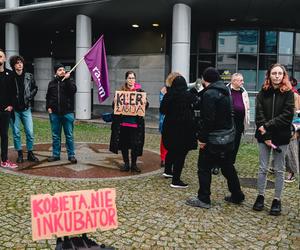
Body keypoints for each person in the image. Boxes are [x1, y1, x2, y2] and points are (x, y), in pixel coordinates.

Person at [186, 67, 245, 208]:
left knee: (204, 168)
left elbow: (208, 120)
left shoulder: (210, 94)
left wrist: (202, 139)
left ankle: (204, 198)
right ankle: (237, 195)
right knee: (227, 167)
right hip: (227, 137)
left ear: (205, 79)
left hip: (213, 139)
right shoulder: (227, 91)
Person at [253, 63, 294, 216]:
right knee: (263, 168)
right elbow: (259, 115)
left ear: (284, 76)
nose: (277, 76)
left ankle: (277, 199)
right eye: (274, 73)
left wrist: (267, 126)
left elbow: (287, 115)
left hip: (281, 137)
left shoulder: (288, 93)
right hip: (264, 137)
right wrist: (266, 136)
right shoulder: (262, 92)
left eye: (279, 73)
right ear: (269, 75)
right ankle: (260, 196)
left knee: (279, 169)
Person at [160, 72, 197, 188]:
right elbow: (196, 103)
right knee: (181, 153)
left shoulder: (168, 95)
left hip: (170, 127)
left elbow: (162, 110)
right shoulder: (188, 95)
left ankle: (168, 171)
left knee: (171, 150)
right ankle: (176, 180)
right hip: (184, 129)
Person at [109, 71, 148, 173]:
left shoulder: (140, 92)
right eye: (129, 78)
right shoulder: (121, 91)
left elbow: (145, 106)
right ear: (126, 79)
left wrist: (145, 102)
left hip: (135, 124)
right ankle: (126, 164)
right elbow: (114, 107)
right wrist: (115, 101)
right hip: (123, 124)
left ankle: (134, 165)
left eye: (133, 78)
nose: (131, 80)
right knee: (124, 145)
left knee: (135, 145)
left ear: (135, 79)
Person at [9, 55, 39, 163]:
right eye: (17, 63)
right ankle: (20, 154)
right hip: (15, 110)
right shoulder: (10, 77)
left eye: (21, 62)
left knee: (30, 132)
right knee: (16, 133)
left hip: (26, 109)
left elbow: (35, 88)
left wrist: (29, 96)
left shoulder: (29, 76)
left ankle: (30, 153)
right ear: (13, 65)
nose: (20, 64)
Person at [46, 63, 77, 164]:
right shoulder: (51, 83)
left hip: (67, 113)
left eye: (63, 69)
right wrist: (49, 108)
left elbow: (73, 91)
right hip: (55, 114)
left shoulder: (70, 81)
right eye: (60, 70)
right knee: (56, 136)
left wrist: (67, 80)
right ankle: (56, 155)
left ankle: (71, 155)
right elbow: (48, 97)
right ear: (56, 72)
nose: (62, 71)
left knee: (69, 135)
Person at [227, 73, 250, 164]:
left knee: (236, 145)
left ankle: (231, 164)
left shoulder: (244, 92)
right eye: (241, 80)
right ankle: (222, 163)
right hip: (228, 124)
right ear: (233, 81)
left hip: (239, 124)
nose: (243, 82)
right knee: (226, 144)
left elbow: (247, 107)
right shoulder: (226, 90)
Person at [0, 49, 18, 168]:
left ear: (5, 58)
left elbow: (13, 93)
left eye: (1, 56)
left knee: (4, 135)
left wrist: (11, 106)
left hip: (5, 111)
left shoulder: (10, 74)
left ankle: (4, 160)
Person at [284, 76, 300, 183]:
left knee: (291, 150)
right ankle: (275, 167)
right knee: (283, 150)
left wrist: (295, 130)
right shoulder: (282, 95)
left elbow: (298, 114)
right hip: (282, 127)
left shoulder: (295, 96)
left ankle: (292, 173)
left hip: (292, 127)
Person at [159, 85, 168, 168]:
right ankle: (163, 158)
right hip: (165, 120)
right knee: (164, 140)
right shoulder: (164, 90)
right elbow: (162, 106)